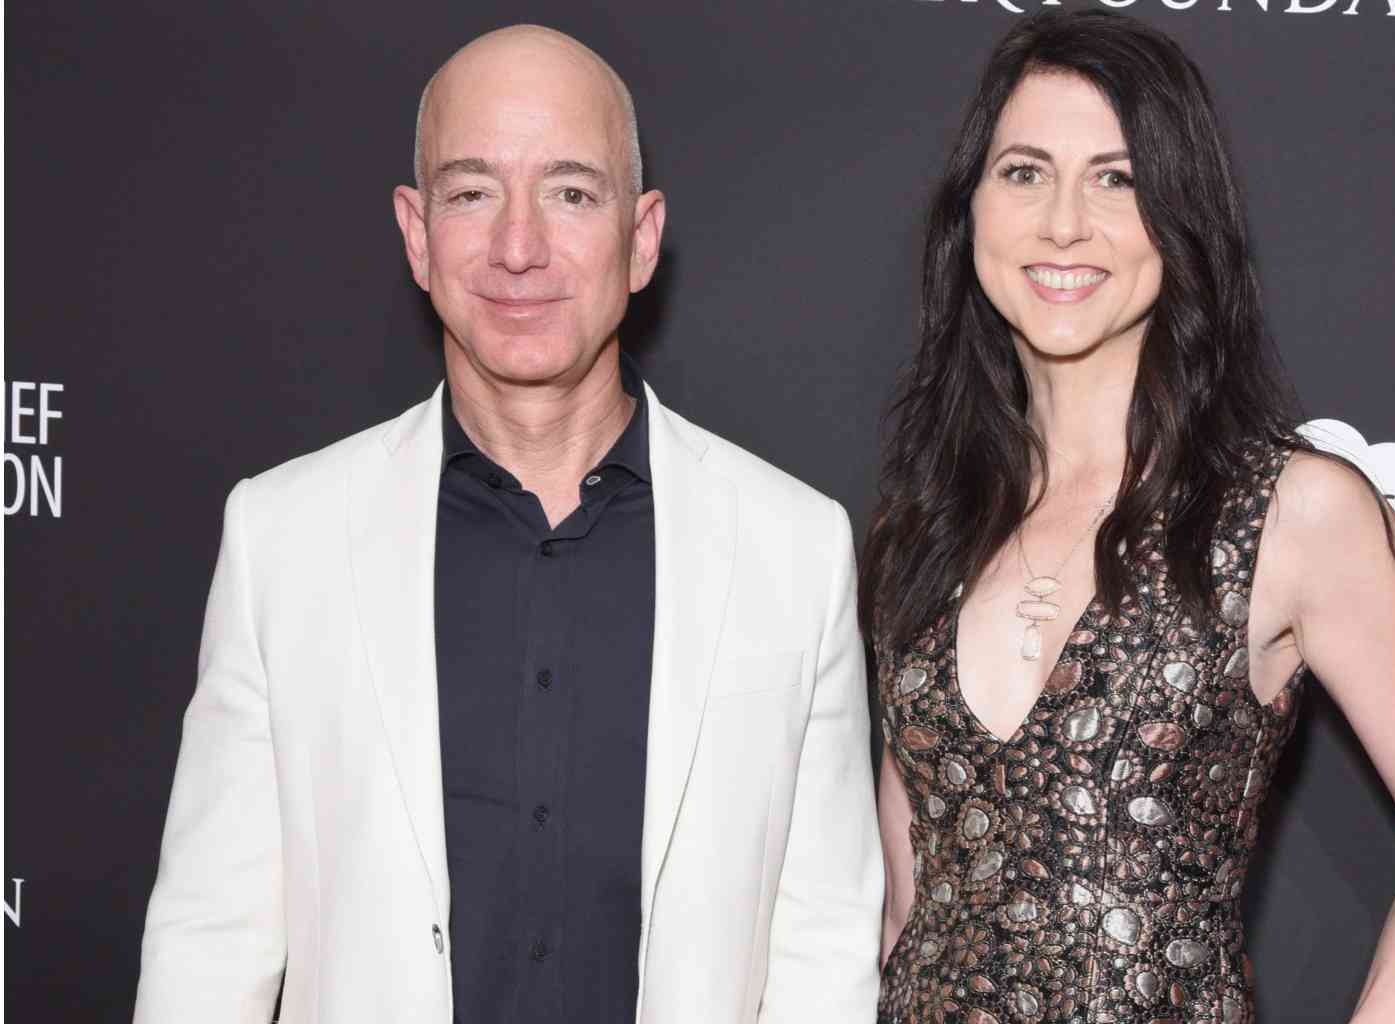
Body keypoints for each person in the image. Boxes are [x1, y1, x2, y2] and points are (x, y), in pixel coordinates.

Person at [134, 25, 881, 1024]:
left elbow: (823, 951)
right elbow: (210, 946)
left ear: (642, 238)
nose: (518, 248)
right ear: (416, 234)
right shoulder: (283, 539)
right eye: (471, 193)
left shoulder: (794, 549)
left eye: (571, 192)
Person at [860, 11, 1395, 1024]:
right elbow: (907, 897)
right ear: (970, 208)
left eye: (1116, 180)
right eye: (1024, 172)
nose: (1063, 223)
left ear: (1179, 215)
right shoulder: (929, 521)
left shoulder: (1291, 509)